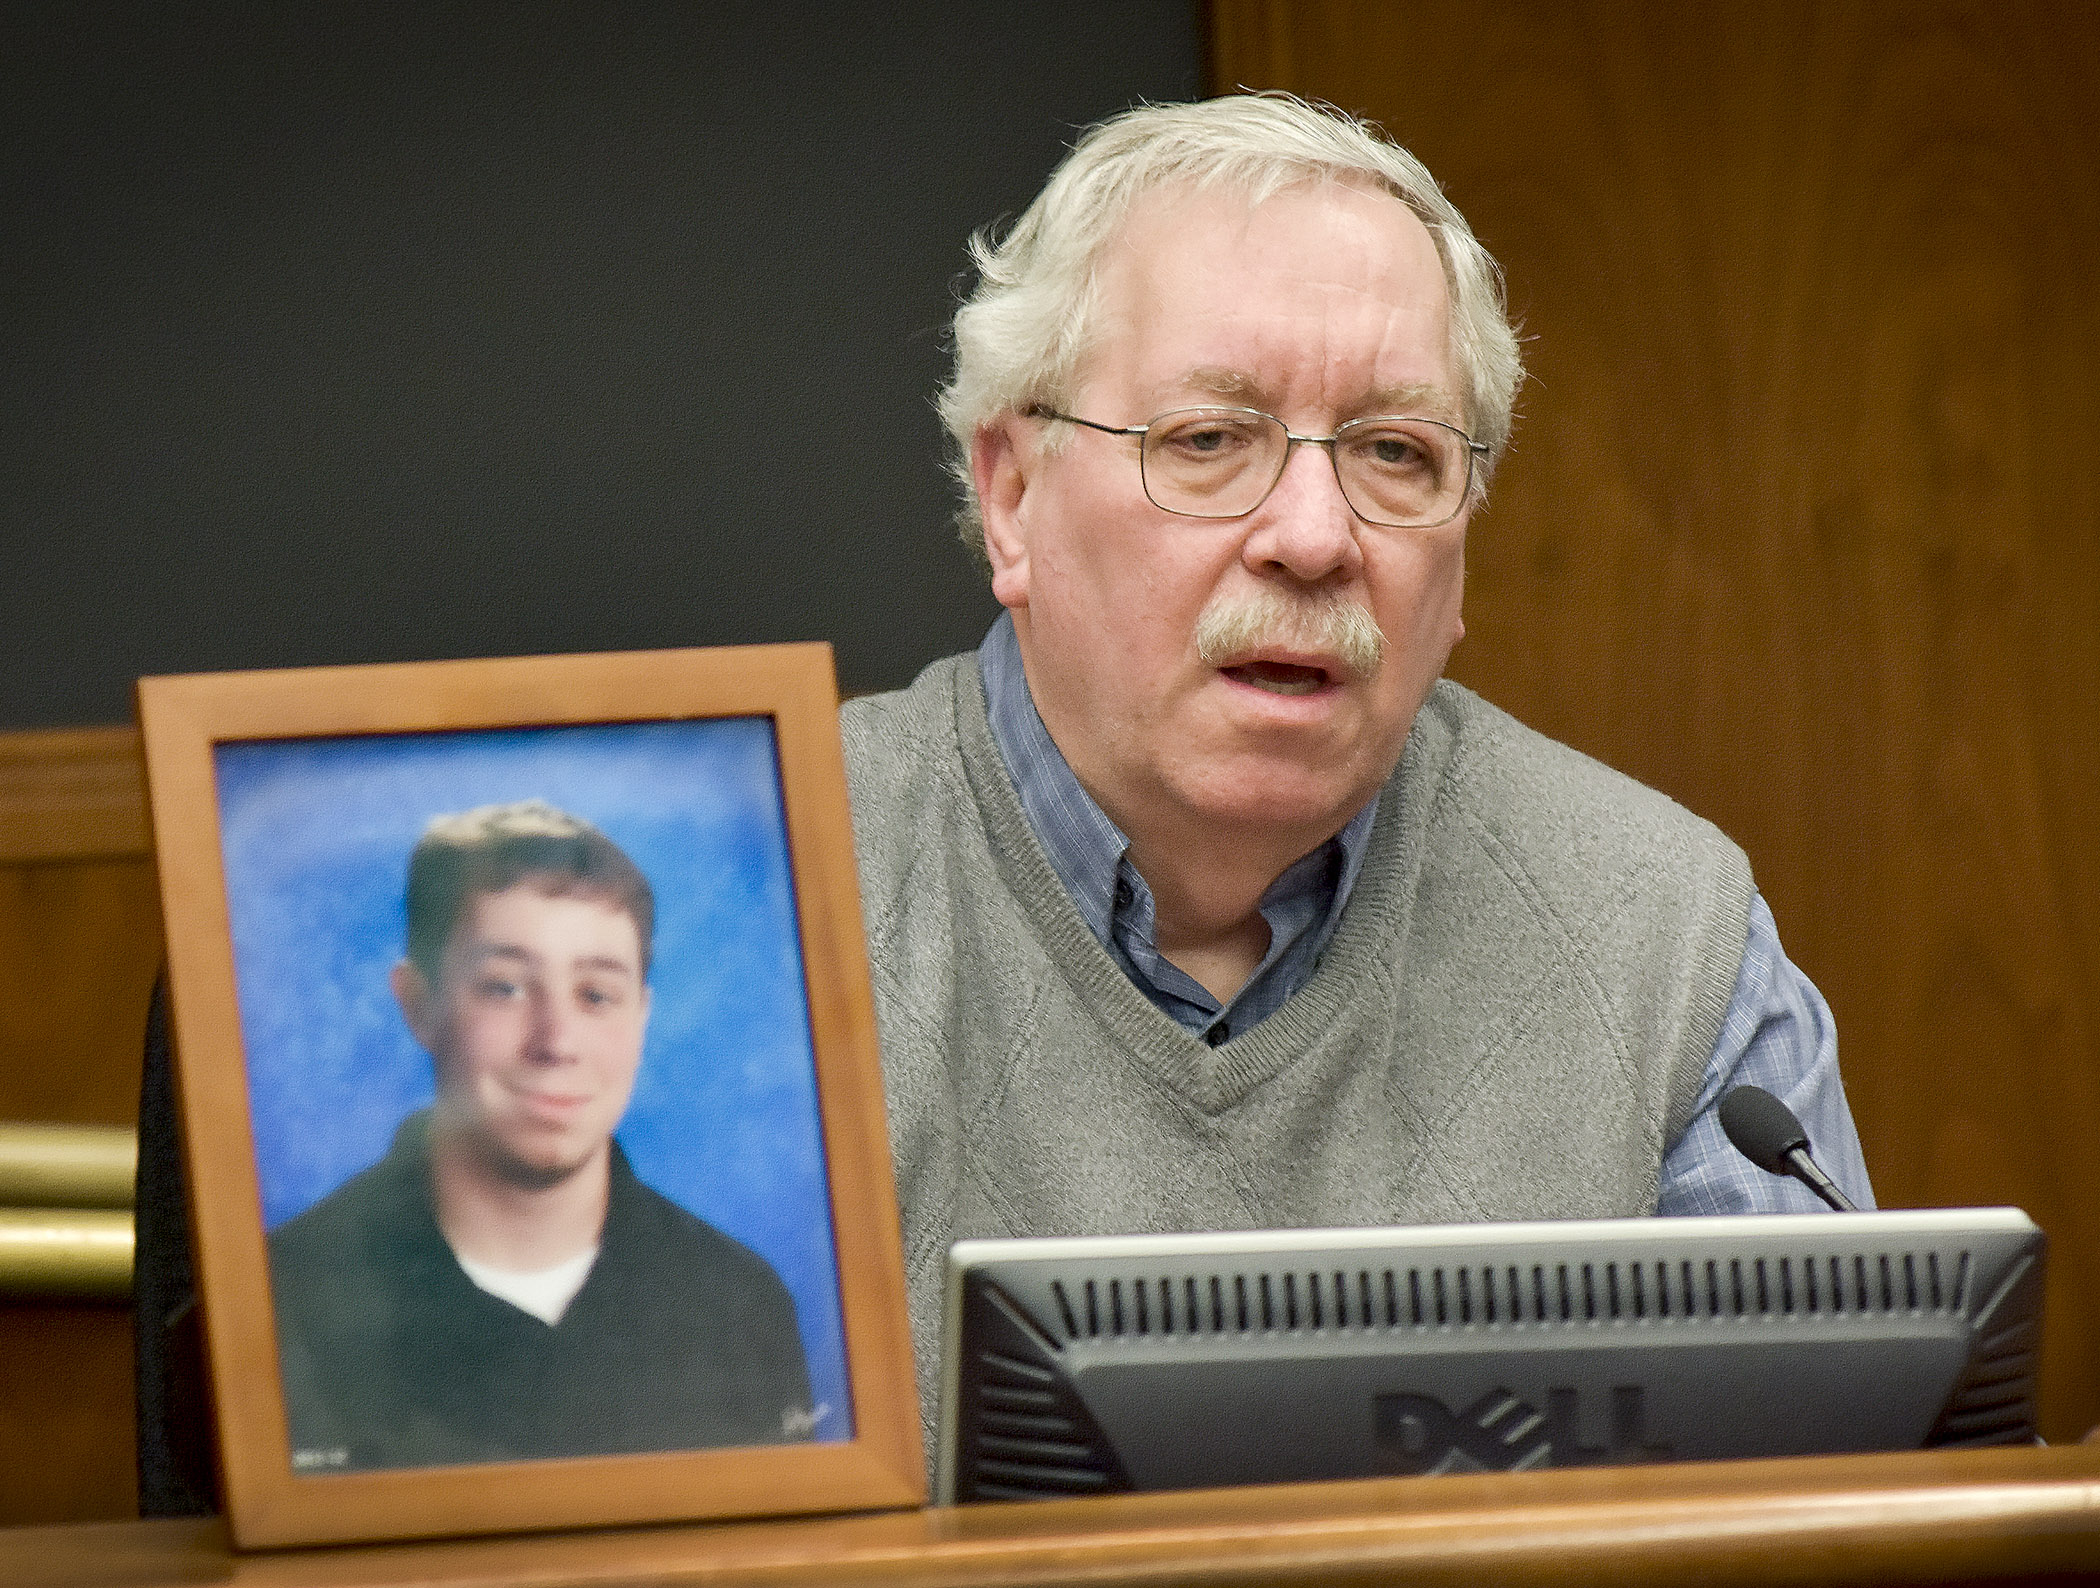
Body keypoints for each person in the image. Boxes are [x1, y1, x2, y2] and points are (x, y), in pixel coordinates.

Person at [839, 94, 1874, 1426]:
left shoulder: (1664, 938)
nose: (1316, 536)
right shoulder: (751, 899)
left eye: (1396, 453)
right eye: (1209, 441)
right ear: (1012, 495)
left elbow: (1823, 1498)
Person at [265, 799, 812, 1471]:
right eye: (505, 987)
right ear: (419, 1006)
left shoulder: (739, 1308)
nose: (557, 1041)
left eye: (596, 995)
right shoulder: (282, 1304)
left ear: (642, 1015)